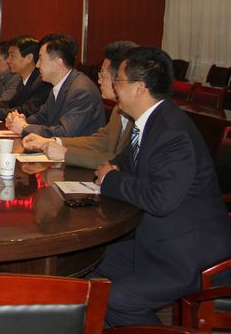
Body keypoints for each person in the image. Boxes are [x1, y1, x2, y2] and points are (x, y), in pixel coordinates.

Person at [92, 47, 231, 327]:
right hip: (156, 238)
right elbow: (121, 163)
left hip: (188, 254)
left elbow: (159, 199)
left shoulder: (172, 133)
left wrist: (111, 179)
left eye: (118, 80)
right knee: (88, 262)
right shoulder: (148, 122)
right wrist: (113, 172)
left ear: (139, 87)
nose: (114, 86)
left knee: (115, 299)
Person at [22, 41, 137, 168]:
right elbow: (101, 140)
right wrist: (53, 141)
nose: (99, 80)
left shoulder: (82, 89)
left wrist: (65, 153)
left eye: (102, 74)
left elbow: (121, 160)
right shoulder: (118, 109)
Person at [5, 33, 105, 137]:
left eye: (41, 59)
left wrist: (24, 127)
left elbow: (64, 133)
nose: (37, 65)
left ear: (58, 63)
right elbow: (42, 117)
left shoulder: (81, 90)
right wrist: (21, 120)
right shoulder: (59, 85)